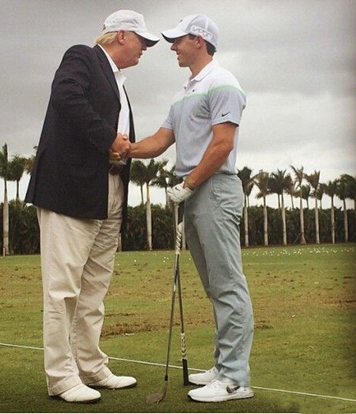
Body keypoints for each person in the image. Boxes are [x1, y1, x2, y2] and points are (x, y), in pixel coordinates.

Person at [25, 10, 159, 403]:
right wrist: (108, 138)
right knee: (63, 288)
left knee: (94, 288)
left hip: (108, 189)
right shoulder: (82, 56)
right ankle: (61, 377)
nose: (145, 48)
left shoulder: (119, 83)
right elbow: (65, 96)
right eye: (142, 40)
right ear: (121, 35)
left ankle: (90, 365)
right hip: (70, 189)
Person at [129, 14, 254, 403]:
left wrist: (188, 184)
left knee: (227, 284)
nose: (172, 46)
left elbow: (222, 145)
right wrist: (124, 150)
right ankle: (223, 365)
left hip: (213, 188)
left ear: (199, 40)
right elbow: (160, 139)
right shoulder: (184, 92)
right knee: (215, 286)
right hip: (196, 191)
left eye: (178, 40)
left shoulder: (223, 82)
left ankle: (235, 379)